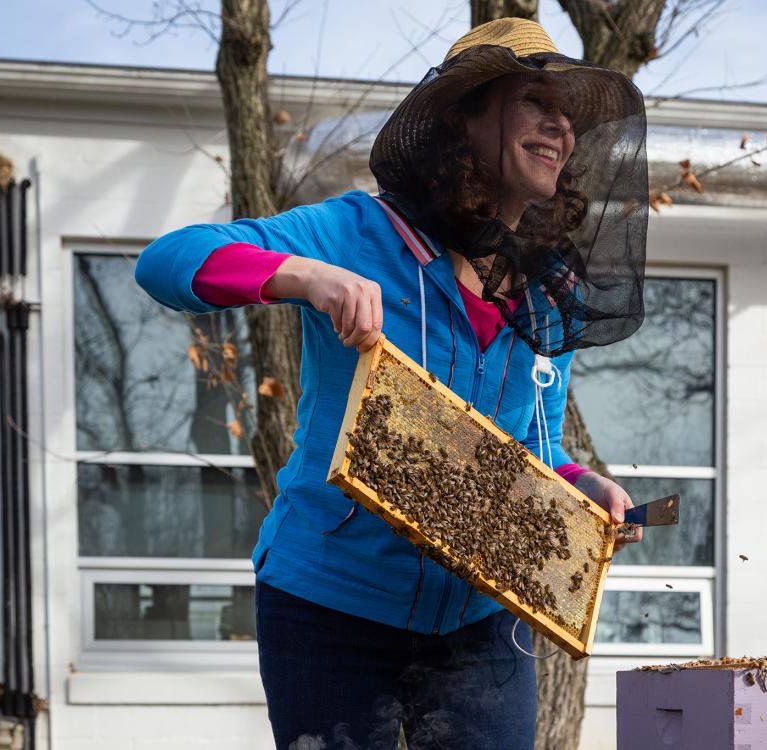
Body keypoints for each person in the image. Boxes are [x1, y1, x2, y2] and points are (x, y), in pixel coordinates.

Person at [135, 17, 648, 750]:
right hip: (329, 607)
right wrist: (304, 275)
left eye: (568, 114)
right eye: (536, 99)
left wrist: (578, 483)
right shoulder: (355, 233)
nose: (559, 125)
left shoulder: (544, 290)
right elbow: (168, 260)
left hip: (480, 623)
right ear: (463, 117)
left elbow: (532, 442)